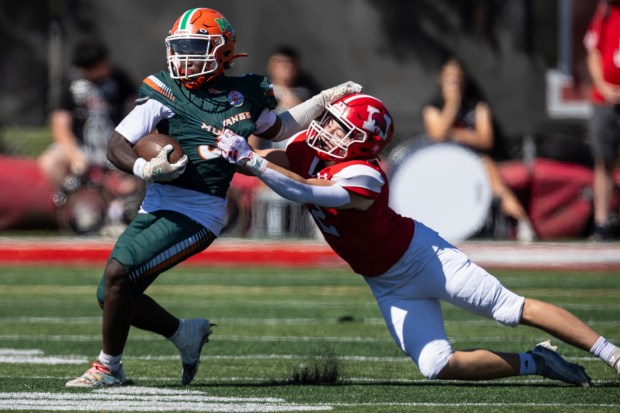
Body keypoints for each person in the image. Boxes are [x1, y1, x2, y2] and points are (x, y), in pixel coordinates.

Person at [217, 92, 620, 386]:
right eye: (328, 120)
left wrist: (249, 159)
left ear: (361, 139)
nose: (324, 128)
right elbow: (273, 165)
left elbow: (306, 190)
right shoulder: (312, 148)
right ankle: (537, 362)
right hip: (386, 283)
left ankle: (611, 354)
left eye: (338, 125)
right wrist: (229, 150)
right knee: (436, 365)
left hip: (422, 259)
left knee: (509, 308)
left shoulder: (365, 174)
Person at [65, 7, 361, 388]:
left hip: (199, 210)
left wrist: (321, 100)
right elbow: (117, 144)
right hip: (157, 203)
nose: (184, 56)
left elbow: (280, 127)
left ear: (223, 52)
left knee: (118, 275)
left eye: (196, 47)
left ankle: (108, 368)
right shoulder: (163, 89)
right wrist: (146, 169)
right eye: (180, 46)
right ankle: (183, 333)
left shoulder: (248, 92)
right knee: (111, 293)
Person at [421, 57, 535, 242]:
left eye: (457, 78)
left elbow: (485, 139)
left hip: (475, 158)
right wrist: (452, 105)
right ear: (441, 80)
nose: (454, 83)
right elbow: (438, 136)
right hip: (443, 161)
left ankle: (521, 222)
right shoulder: (433, 107)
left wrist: (455, 134)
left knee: (494, 181)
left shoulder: (477, 106)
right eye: (449, 78)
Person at [38, 39, 141, 229]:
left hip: (114, 145)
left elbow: (137, 113)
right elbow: (60, 123)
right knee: (50, 161)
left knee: (135, 171)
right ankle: (82, 208)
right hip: (82, 147)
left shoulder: (119, 79)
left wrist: (127, 151)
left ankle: (121, 213)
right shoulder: (71, 83)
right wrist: (74, 155)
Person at [584, 0, 620, 241]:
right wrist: (603, 87)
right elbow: (593, 53)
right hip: (604, 100)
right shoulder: (605, 12)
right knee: (603, 160)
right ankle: (602, 222)